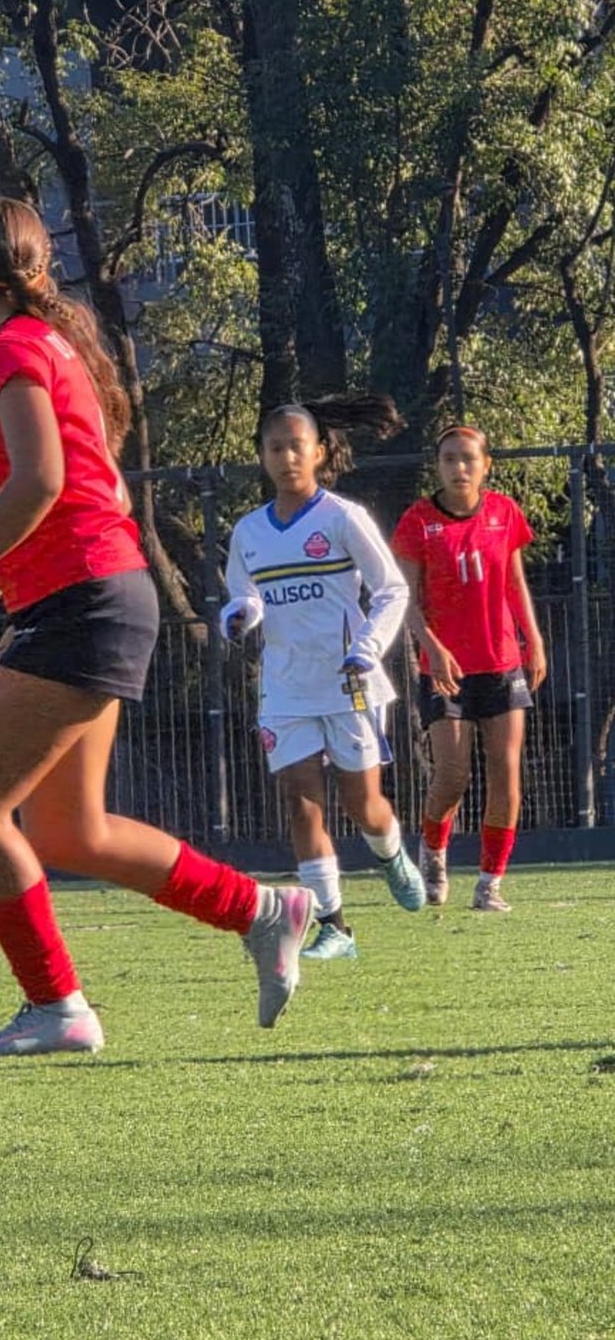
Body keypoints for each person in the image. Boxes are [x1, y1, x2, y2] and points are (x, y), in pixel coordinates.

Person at [0, 195, 314, 1056]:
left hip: (83, 601)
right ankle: (264, 910)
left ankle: (57, 1007)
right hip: (101, 592)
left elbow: (38, 482)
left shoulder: (9, 351)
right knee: (67, 830)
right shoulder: (51, 344)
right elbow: (106, 488)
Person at [221, 401, 426, 963]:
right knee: (301, 801)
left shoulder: (343, 517)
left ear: (319, 452)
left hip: (348, 684)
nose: (287, 457)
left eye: (296, 445)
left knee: (364, 806)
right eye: (274, 448)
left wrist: (366, 649)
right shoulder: (249, 532)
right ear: (262, 457)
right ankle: (335, 925)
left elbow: (392, 591)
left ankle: (390, 854)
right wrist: (237, 616)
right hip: (285, 688)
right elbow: (246, 597)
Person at [392, 423, 547, 911]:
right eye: (449, 459)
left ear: (486, 465)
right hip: (446, 669)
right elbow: (405, 600)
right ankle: (434, 852)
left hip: (502, 662)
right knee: (453, 772)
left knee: (506, 773)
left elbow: (514, 582)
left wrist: (535, 640)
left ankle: (489, 884)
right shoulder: (418, 521)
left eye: (468, 458)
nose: (459, 467)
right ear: (437, 466)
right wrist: (432, 648)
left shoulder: (504, 512)